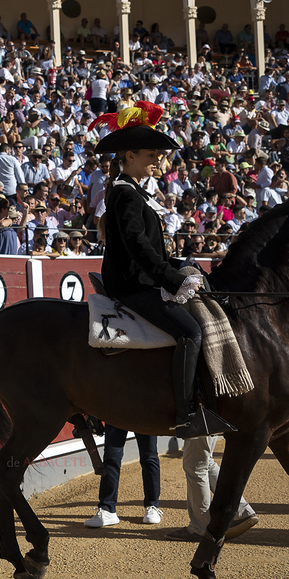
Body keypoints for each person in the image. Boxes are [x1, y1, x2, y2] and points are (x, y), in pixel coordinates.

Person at [94, 102, 227, 438]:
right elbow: (139, 247)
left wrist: (182, 269)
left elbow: (150, 249)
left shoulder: (132, 192)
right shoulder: (125, 194)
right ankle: (186, 414)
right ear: (129, 156)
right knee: (191, 332)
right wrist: (171, 279)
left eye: (158, 155)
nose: (158, 161)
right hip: (132, 286)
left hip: (139, 281)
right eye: (151, 154)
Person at [166, 436, 260, 541]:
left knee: (196, 465)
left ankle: (200, 527)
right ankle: (241, 511)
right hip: (211, 421)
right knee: (206, 462)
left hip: (200, 421)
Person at [83, 427, 161, 527]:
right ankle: (108, 509)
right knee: (111, 456)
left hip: (145, 412)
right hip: (116, 413)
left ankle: (152, 505)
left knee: (149, 455)